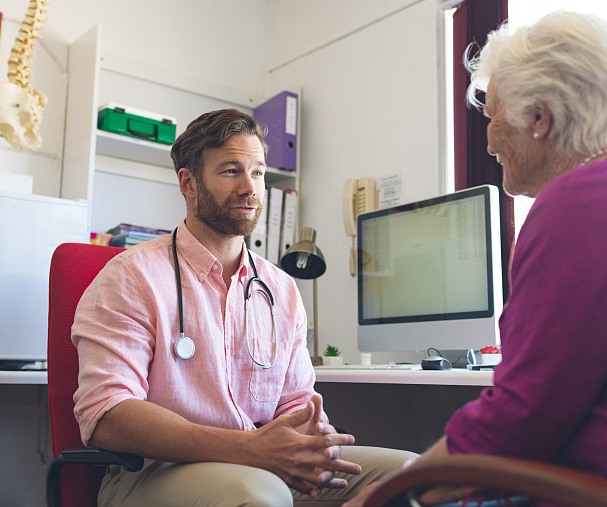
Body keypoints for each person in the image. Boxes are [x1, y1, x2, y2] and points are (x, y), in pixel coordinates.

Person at [344, 11, 607, 506]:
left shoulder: (587, 200)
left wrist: (390, 496)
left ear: (539, 118)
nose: (488, 141)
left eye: (492, 118)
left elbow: (520, 416)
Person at [72, 109, 417, 507]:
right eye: (231, 171)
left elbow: (294, 403)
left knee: (410, 474)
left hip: (261, 466)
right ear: (188, 183)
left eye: (257, 172)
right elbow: (108, 413)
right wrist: (247, 448)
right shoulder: (132, 277)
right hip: (152, 472)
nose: (249, 187)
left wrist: (310, 436)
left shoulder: (281, 289)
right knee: (258, 495)